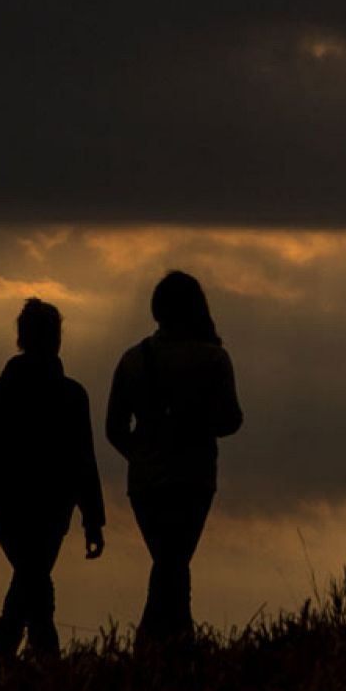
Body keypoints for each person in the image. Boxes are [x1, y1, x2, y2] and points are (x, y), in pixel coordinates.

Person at [0, 298, 105, 662]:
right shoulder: (70, 395)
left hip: (10, 510)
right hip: (50, 510)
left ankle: (2, 668)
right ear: (57, 339)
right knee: (34, 587)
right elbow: (84, 461)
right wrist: (93, 519)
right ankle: (39, 666)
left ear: (21, 339)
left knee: (29, 586)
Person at [106, 271, 243, 644]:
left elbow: (114, 428)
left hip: (145, 484)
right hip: (194, 478)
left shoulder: (133, 359)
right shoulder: (214, 358)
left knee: (170, 564)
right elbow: (231, 420)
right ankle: (166, 646)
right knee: (174, 564)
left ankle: (167, 648)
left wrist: (141, 456)